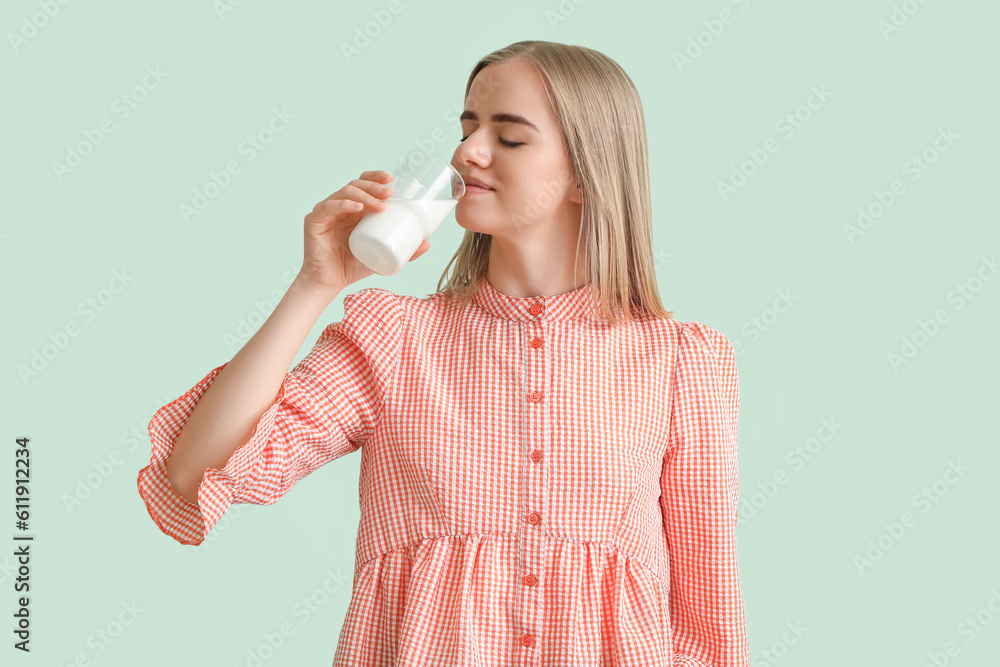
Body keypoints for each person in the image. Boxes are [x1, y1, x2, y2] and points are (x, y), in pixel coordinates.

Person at [136, 40, 750, 667]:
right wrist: (314, 284)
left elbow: (706, 610)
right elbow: (196, 471)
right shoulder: (393, 339)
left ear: (587, 173)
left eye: (509, 138)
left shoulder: (682, 361)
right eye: (467, 127)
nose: (466, 154)